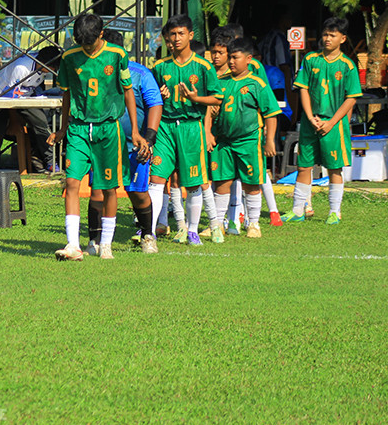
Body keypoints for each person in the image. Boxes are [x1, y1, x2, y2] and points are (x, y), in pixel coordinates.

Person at [49, 15, 143, 261]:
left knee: (108, 188)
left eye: (89, 44)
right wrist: (62, 128)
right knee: (71, 183)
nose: (86, 48)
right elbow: (67, 94)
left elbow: (127, 91)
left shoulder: (117, 54)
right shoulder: (69, 57)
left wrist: (134, 130)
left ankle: (106, 244)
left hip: (108, 129)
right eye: (81, 43)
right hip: (79, 128)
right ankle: (72, 245)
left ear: (101, 35)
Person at [147, 14, 221, 247]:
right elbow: (149, 97)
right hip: (166, 126)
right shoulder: (159, 67)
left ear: (190, 35)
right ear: (166, 38)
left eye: (181, 33)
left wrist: (195, 97)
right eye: (172, 34)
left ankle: (192, 230)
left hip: (191, 127)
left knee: (193, 182)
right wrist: (159, 96)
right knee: (157, 178)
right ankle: (149, 231)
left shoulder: (203, 66)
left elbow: (217, 97)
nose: (177, 38)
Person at [281, 16, 362, 225]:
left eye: (332, 35)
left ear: (342, 39)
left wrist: (332, 122)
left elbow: (351, 98)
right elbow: (303, 89)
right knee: (304, 166)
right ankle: (298, 209)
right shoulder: (310, 59)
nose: (327, 39)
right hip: (311, 123)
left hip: (334, 124)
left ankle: (334, 211)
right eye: (325, 34)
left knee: (334, 168)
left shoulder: (348, 66)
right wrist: (309, 117)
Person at [209, 38, 281, 239]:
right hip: (223, 141)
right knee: (222, 183)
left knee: (251, 182)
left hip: (248, 140)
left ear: (248, 59)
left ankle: (254, 224)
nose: (231, 61)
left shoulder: (257, 83)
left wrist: (270, 140)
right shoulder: (221, 82)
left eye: (235, 57)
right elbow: (211, 108)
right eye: (229, 57)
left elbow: (271, 113)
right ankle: (217, 224)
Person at [100, 28, 162, 254]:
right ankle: (96, 240)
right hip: (103, 145)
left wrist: (149, 138)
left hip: (134, 146)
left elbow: (155, 104)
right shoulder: (96, 71)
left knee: (137, 192)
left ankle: (147, 235)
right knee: (100, 191)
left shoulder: (141, 74)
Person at [0, 45, 62, 173]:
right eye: (52, 67)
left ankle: (50, 161)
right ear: (44, 63)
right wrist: (14, 121)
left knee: (41, 122)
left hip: (25, 97)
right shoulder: (21, 68)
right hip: (3, 97)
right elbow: (11, 99)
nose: (53, 70)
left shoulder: (42, 68)